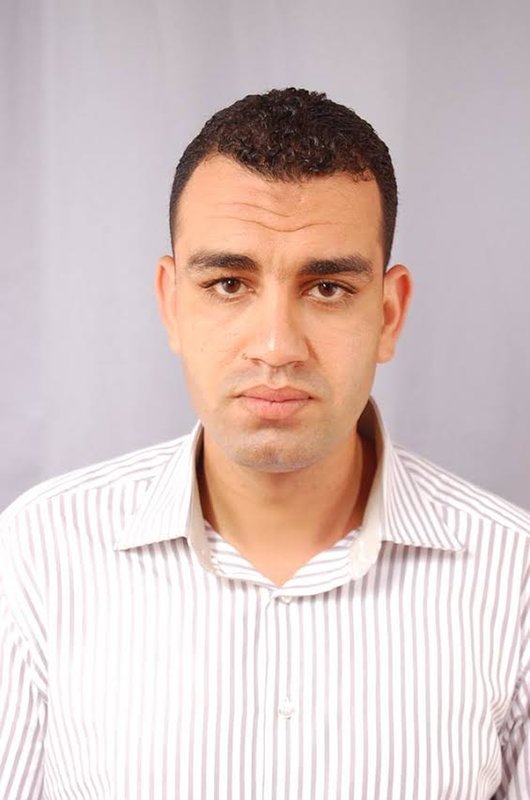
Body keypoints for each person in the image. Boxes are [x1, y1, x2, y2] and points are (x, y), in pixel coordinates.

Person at [0, 88, 528, 800]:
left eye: (328, 288)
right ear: (171, 303)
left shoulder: (515, 579)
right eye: (228, 283)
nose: (277, 346)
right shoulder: (37, 554)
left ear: (389, 314)